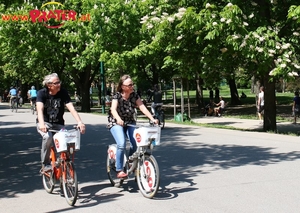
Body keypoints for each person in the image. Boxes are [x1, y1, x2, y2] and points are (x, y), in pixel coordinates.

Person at [107, 75, 158, 179]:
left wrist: (152, 119)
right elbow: (113, 109)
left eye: (132, 84)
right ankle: (119, 170)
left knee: (135, 142)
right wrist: (118, 119)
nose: (132, 86)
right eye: (130, 85)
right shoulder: (117, 96)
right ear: (123, 86)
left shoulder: (134, 95)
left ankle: (130, 163)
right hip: (116, 122)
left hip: (130, 122)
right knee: (121, 144)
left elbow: (142, 107)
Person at [36, 73, 86, 172]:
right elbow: (39, 110)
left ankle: (64, 162)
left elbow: (71, 108)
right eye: (56, 83)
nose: (59, 84)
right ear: (49, 85)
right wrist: (42, 124)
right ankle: (45, 164)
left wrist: (80, 122)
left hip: (58, 124)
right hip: (45, 123)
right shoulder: (42, 93)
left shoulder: (63, 92)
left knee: (67, 139)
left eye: (59, 82)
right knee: (47, 137)